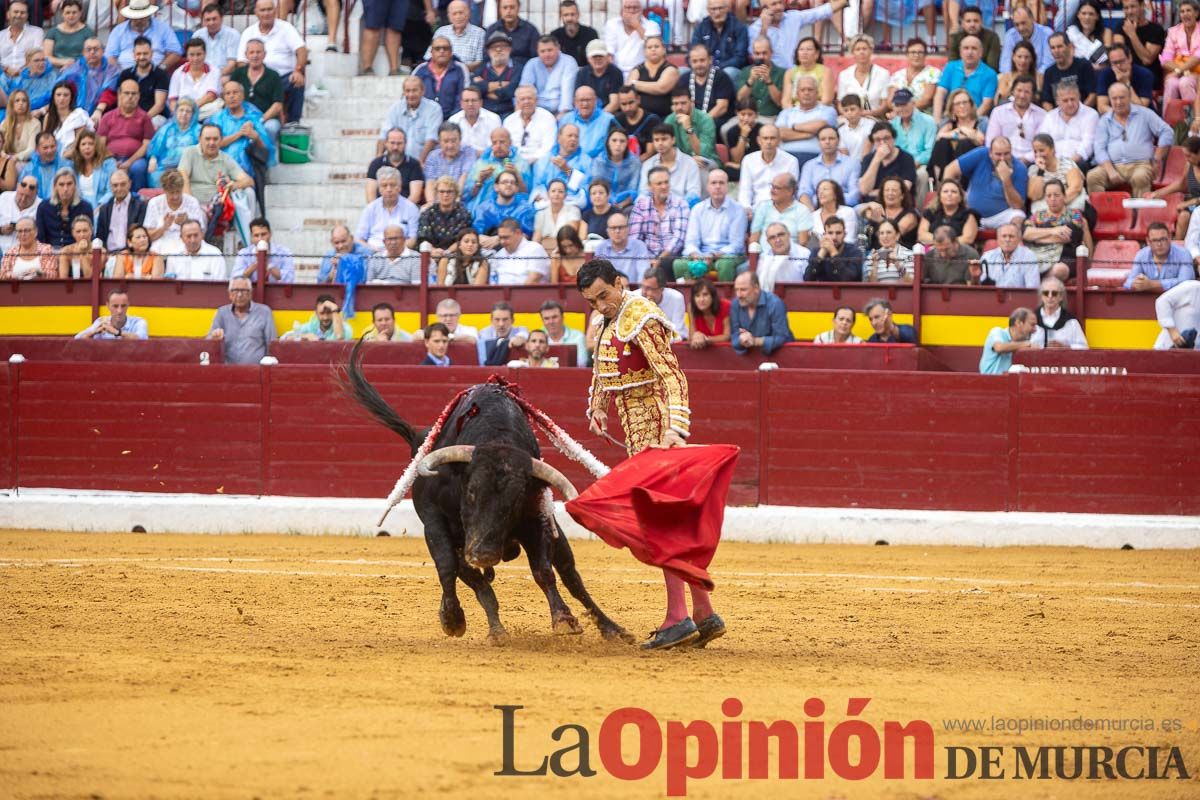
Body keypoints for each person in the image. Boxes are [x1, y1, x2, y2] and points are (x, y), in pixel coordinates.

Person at [577, 258, 725, 650]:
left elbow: (673, 375)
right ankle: (704, 613)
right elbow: (602, 369)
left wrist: (675, 430)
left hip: (658, 430)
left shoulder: (640, 314)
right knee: (669, 523)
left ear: (621, 283)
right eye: (592, 302)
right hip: (637, 432)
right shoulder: (610, 318)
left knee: (658, 525)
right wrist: (597, 407)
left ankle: (678, 617)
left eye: (604, 296)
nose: (601, 306)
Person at [1089, 82, 1173, 199]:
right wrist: (1110, 171)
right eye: (1114, 98)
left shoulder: (1145, 114)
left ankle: (1141, 214)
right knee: (1093, 176)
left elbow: (1167, 131)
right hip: (1113, 165)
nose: (1118, 102)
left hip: (1141, 164)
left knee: (1140, 177)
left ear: (1129, 97)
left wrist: (1157, 157)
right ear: (1109, 100)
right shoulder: (1104, 120)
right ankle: (1101, 213)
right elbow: (1099, 149)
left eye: (1122, 97)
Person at [237, 0, 307, 124]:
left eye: (269, 9)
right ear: (256, 13)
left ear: (275, 11)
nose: (267, 13)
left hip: (283, 77)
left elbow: (301, 50)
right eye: (263, 10)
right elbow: (241, 62)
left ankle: (293, 123)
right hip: (258, 77)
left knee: (298, 81)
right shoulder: (249, 32)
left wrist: (298, 70)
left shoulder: (286, 28)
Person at [674, 169, 745, 282]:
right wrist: (696, 255)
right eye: (713, 183)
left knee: (725, 264)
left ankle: (725, 298)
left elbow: (736, 245)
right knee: (679, 264)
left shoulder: (738, 210)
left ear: (727, 186)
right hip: (701, 254)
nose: (717, 186)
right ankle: (690, 298)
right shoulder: (698, 209)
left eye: (721, 183)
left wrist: (713, 255)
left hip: (727, 255)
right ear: (707, 186)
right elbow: (691, 241)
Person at [944, 137, 1028, 231]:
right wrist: (960, 196)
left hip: (1002, 215)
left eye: (1006, 154)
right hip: (972, 213)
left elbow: (1018, 206)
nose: (1002, 158)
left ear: (1011, 152)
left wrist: (1006, 180)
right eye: (998, 154)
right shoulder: (981, 154)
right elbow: (950, 170)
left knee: (1018, 218)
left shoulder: (1019, 168)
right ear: (990, 153)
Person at [746, 0, 847, 73]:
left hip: (795, 73)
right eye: (774, 4)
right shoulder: (754, 29)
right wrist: (764, 28)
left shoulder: (792, 17)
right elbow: (755, 56)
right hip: (771, 75)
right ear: (764, 10)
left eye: (780, 3)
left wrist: (843, 2)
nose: (779, 7)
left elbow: (818, 13)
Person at [178, 123, 254, 221]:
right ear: (200, 139)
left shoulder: (225, 158)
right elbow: (182, 176)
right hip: (195, 203)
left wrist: (233, 185)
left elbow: (248, 181)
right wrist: (191, 204)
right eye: (207, 139)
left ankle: (250, 230)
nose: (211, 143)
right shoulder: (190, 152)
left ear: (221, 140)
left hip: (218, 205)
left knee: (249, 192)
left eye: (215, 139)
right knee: (199, 216)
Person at [97, 78, 154, 191]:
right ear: (119, 95)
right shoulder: (107, 117)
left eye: (134, 94)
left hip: (135, 159)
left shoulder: (145, 118)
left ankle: (137, 200)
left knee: (139, 168)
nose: (130, 97)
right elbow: (100, 144)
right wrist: (113, 160)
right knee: (105, 167)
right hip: (110, 158)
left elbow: (147, 145)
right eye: (126, 93)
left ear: (138, 96)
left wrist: (129, 162)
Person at [1022, 179, 1086, 280]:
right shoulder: (1038, 215)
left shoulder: (1074, 214)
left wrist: (1037, 239)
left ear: (1064, 196)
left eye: (1056, 195)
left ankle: (1038, 289)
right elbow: (1025, 234)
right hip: (1039, 256)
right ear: (1045, 198)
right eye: (1049, 196)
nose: (1052, 199)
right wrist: (1053, 231)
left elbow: (1067, 237)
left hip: (1066, 258)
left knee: (1059, 270)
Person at [629, 165, 689, 271]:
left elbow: (679, 238)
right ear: (650, 186)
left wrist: (660, 260)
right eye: (659, 183)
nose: (664, 186)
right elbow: (635, 239)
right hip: (645, 259)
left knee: (668, 264)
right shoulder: (640, 205)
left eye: (666, 182)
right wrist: (647, 260)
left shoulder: (681, 204)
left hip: (671, 257)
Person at [207, 276, 276, 364]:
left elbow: (271, 344)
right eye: (235, 290)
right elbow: (209, 342)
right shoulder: (222, 313)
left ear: (250, 293)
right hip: (228, 371)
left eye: (244, 291)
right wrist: (214, 338)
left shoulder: (264, 312)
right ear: (230, 294)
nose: (239, 295)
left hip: (256, 372)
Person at [776, 75, 837, 170]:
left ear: (817, 92)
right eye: (803, 90)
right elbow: (780, 134)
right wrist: (809, 134)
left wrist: (793, 127)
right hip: (787, 157)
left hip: (817, 158)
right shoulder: (786, 113)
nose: (806, 93)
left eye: (810, 89)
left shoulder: (828, 111)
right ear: (797, 93)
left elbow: (820, 125)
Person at [933, 35, 998, 124]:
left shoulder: (990, 74)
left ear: (981, 52)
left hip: (977, 119)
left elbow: (986, 104)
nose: (969, 52)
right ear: (960, 51)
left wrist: (968, 124)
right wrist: (937, 120)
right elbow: (940, 94)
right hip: (951, 117)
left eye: (974, 48)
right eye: (966, 48)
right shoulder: (950, 67)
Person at [379, 76, 443, 164]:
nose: (411, 95)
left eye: (414, 90)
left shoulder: (434, 109)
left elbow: (431, 139)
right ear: (403, 92)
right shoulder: (395, 109)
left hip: (424, 163)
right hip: (397, 162)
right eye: (407, 91)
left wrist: (419, 163)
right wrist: (377, 161)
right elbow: (384, 136)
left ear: (422, 91)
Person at [727, 269, 793, 354]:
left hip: (780, 356)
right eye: (736, 290)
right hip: (747, 358)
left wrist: (755, 341)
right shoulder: (735, 304)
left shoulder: (775, 304)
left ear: (756, 289)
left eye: (743, 290)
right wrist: (741, 339)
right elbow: (734, 337)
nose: (739, 295)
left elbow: (781, 337)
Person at [103, 0, 182, 71]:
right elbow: (110, 56)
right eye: (135, 17)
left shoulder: (163, 28)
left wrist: (160, 69)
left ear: (148, 15)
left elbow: (176, 51)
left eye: (141, 17)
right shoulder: (118, 30)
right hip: (125, 75)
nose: (138, 20)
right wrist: (120, 74)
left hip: (155, 75)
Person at [230, 39, 285, 139]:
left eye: (258, 52)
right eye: (251, 52)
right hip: (241, 117)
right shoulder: (238, 74)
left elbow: (278, 105)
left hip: (266, 119)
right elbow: (229, 95)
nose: (255, 55)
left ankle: (266, 154)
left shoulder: (273, 75)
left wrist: (260, 120)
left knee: (271, 127)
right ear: (246, 55)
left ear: (264, 54)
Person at [928, 88, 985, 184]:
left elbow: (981, 140)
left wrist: (965, 131)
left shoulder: (981, 122)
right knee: (943, 143)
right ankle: (942, 183)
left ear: (971, 104)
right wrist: (958, 131)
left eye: (965, 102)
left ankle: (961, 185)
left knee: (965, 143)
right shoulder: (948, 123)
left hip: (972, 164)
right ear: (952, 108)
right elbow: (939, 138)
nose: (962, 106)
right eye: (957, 104)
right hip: (948, 163)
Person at [736, 124, 798, 210]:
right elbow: (745, 190)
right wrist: (746, 208)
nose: (768, 142)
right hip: (755, 209)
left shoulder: (791, 161)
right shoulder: (748, 160)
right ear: (759, 140)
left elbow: (791, 191)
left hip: (782, 208)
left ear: (779, 140)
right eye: (765, 138)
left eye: (772, 138)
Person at [357, 166, 420, 251]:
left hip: (402, 255)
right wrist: (375, 251)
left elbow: (413, 240)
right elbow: (359, 239)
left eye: (393, 185)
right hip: (373, 254)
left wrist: (392, 252)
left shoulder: (411, 208)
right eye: (384, 185)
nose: (389, 189)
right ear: (379, 189)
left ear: (399, 187)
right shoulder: (370, 209)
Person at [988, 75, 1045, 166]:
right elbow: (991, 142)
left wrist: (1026, 159)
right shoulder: (998, 112)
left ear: (1033, 95)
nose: (1022, 95)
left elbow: (1042, 145)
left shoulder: (1042, 115)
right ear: (1012, 92)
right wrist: (1006, 158)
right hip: (1003, 160)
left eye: (1027, 92)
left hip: (1033, 162)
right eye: (1019, 90)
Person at [1039, 82, 1097, 169]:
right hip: (1052, 162)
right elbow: (1043, 142)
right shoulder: (1050, 116)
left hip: (1078, 162)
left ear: (1079, 97)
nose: (1070, 103)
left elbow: (1088, 144)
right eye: (1065, 100)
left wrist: (1067, 164)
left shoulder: (1091, 114)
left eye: (1073, 99)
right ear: (1057, 101)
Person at [798, 125, 859, 208]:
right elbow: (803, 193)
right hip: (816, 210)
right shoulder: (809, 166)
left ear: (838, 141)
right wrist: (812, 213)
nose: (827, 142)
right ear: (818, 142)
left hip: (844, 208)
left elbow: (854, 196)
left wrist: (827, 199)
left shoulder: (852, 163)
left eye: (831, 138)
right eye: (823, 139)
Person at [1125, 222, 1197, 291]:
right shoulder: (1141, 254)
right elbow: (1128, 282)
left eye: (1162, 239)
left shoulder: (1184, 254)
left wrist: (1152, 284)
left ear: (1169, 238)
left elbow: (1186, 282)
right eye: (1155, 240)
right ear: (1148, 241)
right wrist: (1137, 283)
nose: (1159, 244)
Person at [1112, 0, 1165, 93]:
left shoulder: (1156, 29)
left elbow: (1147, 60)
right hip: (1125, 71)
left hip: (1148, 73)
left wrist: (1132, 34)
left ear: (1142, 6)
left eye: (1133, 7)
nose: (1129, 11)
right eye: (1126, 8)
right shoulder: (1120, 27)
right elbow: (1119, 55)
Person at [530, 123, 589, 207]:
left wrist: (567, 170)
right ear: (559, 138)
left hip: (573, 203)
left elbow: (585, 188)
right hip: (548, 203)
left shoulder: (586, 160)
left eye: (576, 136)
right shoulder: (545, 160)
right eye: (570, 136)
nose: (573, 139)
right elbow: (538, 185)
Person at [857, 121, 917, 205]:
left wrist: (873, 193)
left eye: (887, 138)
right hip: (871, 206)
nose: (883, 143)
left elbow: (904, 188)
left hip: (899, 205)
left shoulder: (906, 158)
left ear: (894, 138)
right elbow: (864, 190)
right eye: (878, 140)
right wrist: (877, 159)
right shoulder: (868, 159)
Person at [61, 37, 120, 121]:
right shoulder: (74, 69)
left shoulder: (111, 70)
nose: (92, 52)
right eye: (88, 49)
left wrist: (98, 111)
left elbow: (109, 93)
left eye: (96, 49)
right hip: (73, 112)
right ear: (83, 52)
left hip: (103, 114)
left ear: (103, 51)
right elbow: (64, 90)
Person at [681, 43, 736, 131]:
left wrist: (702, 122)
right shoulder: (684, 79)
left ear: (710, 60)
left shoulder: (721, 77)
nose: (699, 64)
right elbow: (680, 104)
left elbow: (722, 107)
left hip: (716, 120)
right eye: (695, 61)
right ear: (690, 62)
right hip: (691, 120)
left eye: (702, 60)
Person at [473, 168, 535, 245]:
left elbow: (526, 236)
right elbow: (475, 234)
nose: (509, 184)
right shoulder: (483, 208)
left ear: (516, 188)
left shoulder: (525, 208)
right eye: (504, 182)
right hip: (487, 249)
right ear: (496, 187)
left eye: (512, 183)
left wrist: (500, 239)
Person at [146, 98, 200, 187]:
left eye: (188, 111)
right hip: (165, 167)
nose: (184, 114)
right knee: (155, 175)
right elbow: (156, 147)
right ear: (176, 112)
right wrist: (153, 158)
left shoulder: (198, 130)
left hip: (188, 168)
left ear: (193, 114)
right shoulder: (166, 128)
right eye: (181, 110)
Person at [144, 168, 205, 246]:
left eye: (178, 192)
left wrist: (186, 223)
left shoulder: (192, 202)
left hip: (188, 247)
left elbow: (201, 234)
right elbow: (148, 237)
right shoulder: (154, 203)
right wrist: (165, 226)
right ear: (164, 190)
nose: (175, 196)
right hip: (161, 248)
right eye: (171, 193)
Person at [734, 38, 783, 135]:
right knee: (724, 129)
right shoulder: (745, 71)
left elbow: (779, 102)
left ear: (771, 53)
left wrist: (769, 81)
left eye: (764, 53)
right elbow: (740, 99)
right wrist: (750, 80)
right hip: (746, 116)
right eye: (757, 53)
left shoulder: (781, 73)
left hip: (770, 117)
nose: (761, 57)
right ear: (752, 54)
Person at [415, 36, 472, 119]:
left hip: (452, 119)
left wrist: (453, 119)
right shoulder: (420, 69)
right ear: (431, 52)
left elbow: (463, 96)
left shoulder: (460, 69)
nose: (442, 51)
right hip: (424, 119)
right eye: (437, 48)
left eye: (445, 48)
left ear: (451, 51)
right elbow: (411, 93)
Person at [751, 172, 812, 250]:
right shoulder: (762, 207)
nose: (772, 191)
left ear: (789, 191)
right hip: (764, 258)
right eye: (772, 186)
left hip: (791, 258)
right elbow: (754, 239)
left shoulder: (802, 210)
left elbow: (803, 243)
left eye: (777, 188)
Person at [115, 36, 168, 125]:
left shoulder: (160, 75)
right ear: (133, 54)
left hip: (152, 117)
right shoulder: (125, 74)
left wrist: (141, 121)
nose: (142, 57)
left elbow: (159, 105)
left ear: (151, 53)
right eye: (138, 54)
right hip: (128, 116)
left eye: (145, 53)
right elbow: (120, 101)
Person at [690, 0, 748, 80]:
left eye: (720, 8)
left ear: (727, 8)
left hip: (729, 69)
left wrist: (716, 68)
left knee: (728, 72)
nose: (717, 12)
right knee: (681, 71)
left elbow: (740, 58)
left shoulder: (738, 27)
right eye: (713, 9)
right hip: (704, 69)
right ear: (708, 10)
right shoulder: (701, 28)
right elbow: (692, 52)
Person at [836, 35, 890, 119]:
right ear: (852, 52)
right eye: (858, 49)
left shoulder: (883, 73)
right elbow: (840, 103)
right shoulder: (844, 75)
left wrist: (867, 114)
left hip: (874, 117)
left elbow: (884, 104)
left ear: (871, 51)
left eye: (864, 49)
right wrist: (849, 115)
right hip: (849, 118)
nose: (861, 52)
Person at [367, 128, 426, 204]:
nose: (395, 147)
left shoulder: (414, 164)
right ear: (386, 143)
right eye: (392, 143)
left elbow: (415, 196)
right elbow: (370, 195)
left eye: (399, 143)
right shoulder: (376, 164)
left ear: (405, 143)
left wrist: (400, 211)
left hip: (407, 211)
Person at [35, 168, 91, 248]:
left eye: (69, 184)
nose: (65, 189)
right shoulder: (44, 207)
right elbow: (40, 238)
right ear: (55, 187)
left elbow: (88, 237)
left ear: (75, 186)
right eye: (61, 184)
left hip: (76, 252)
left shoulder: (85, 207)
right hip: (50, 253)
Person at [518, 35, 573, 117]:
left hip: (560, 111)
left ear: (558, 48)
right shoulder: (532, 64)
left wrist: (562, 114)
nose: (547, 54)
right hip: (535, 112)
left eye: (550, 50)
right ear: (537, 51)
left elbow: (567, 92)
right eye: (542, 51)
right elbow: (524, 90)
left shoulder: (568, 62)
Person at [604, 0, 661, 79]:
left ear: (641, 10)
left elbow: (653, 46)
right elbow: (609, 50)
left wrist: (637, 26)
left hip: (643, 72)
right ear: (621, 10)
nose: (631, 11)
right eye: (628, 7)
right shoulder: (612, 24)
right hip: (617, 72)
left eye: (635, 8)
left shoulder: (652, 25)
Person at [155, 218, 226, 280]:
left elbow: (219, 285)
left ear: (202, 234)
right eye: (189, 236)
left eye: (196, 235)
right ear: (181, 238)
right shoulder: (174, 255)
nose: (193, 240)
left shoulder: (215, 254)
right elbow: (170, 284)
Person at [418, 176, 474, 254]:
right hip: (431, 254)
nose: (445, 195)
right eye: (441, 191)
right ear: (436, 193)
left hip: (455, 255)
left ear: (456, 194)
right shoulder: (427, 213)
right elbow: (422, 239)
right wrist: (434, 251)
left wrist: (447, 252)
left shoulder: (464, 214)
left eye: (449, 191)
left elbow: (463, 239)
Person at [1040, 33, 1096, 110]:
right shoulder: (1049, 72)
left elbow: (1092, 95)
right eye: (1053, 48)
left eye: (1059, 46)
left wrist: (1080, 113)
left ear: (1069, 46)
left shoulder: (1084, 65)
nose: (1056, 51)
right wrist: (1055, 116)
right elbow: (1046, 101)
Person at [628, 35, 677, 122]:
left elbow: (661, 88)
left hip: (665, 118)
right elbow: (628, 90)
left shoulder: (671, 69)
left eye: (656, 46)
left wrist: (635, 84)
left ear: (664, 50)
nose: (653, 49)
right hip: (640, 119)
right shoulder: (637, 69)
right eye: (649, 47)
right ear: (644, 51)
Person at [95, 169, 146, 251]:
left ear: (129, 184)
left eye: (123, 184)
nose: (119, 188)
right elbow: (100, 237)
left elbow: (141, 234)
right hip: (108, 254)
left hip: (131, 253)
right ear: (111, 187)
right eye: (115, 185)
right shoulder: (104, 209)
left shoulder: (140, 206)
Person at [593, 211, 653, 282]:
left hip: (633, 291)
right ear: (607, 231)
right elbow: (599, 276)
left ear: (628, 229)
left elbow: (643, 275)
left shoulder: (639, 246)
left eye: (621, 227)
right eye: (613, 228)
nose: (617, 231)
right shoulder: (601, 248)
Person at [472, 30, 520, 118]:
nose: (498, 49)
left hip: (509, 113)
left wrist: (486, 90)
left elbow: (511, 92)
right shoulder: (481, 69)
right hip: (484, 114)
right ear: (488, 51)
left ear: (510, 49)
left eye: (503, 46)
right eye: (494, 47)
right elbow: (475, 89)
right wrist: (501, 85)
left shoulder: (518, 68)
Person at [504, 85, 557, 163]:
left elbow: (548, 147)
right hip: (514, 162)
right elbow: (506, 146)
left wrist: (531, 161)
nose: (526, 102)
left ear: (536, 100)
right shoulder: (509, 121)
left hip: (539, 162)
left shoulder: (548, 118)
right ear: (517, 102)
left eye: (529, 98)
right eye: (522, 99)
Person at [169, 38, 220, 120]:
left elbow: (211, 96)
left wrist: (191, 108)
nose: (195, 59)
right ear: (187, 55)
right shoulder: (178, 73)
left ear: (205, 54)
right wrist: (181, 113)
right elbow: (172, 100)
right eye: (192, 55)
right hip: (183, 115)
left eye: (199, 54)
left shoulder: (214, 71)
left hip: (207, 115)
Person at [1032, 275, 1088, 349]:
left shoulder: (1071, 322)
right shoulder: (1031, 319)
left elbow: (1084, 347)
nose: (1050, 296)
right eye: (1046, 293)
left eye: (1054, 293)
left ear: (1061, 296)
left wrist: (1065, 347)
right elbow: (1021, 344)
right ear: (1041, 296)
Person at [234, 217, 295, 282]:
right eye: (256, 235)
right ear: (252, 237)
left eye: (263, 234)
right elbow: (236, 279)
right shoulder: (244, 253)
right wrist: (258, 263)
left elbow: (289, 279)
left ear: (270, 234)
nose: (260, 239)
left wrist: (268, 264)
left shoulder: (284, 252)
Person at [1162, 0, 1200, 105]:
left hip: (1198, 74)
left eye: (1189, 10)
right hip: (1182, 73)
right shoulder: (1173, 32)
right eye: (1182, 11)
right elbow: (1165, 59)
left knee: (1185, 82)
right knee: (1170, 83)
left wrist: (1178, 71)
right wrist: (1183, 71)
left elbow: (1197, 57)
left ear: (1196, 13)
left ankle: (1194, 118)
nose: (1185, 14)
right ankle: (1167, 120)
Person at [979, 223, 1040, 288]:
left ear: (1019, 239)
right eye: (1004, 236)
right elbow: (982, 288)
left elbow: (1032, 289)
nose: (1007, 240)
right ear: (998, 239)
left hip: (1018, 297)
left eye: (1011, 236)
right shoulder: (987, 257)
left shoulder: (1029, 256)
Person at [429, 0, 486, 71]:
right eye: (454, 14)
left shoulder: (480, 33)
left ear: (468, 14)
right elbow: (429, 57)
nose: (458, 17)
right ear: (449, 17)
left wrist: (457, 70)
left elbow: (480, 62)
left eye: (461, 13)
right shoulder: (441, 32)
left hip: (468, 75)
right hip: (441, 75)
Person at [1097, 43, 1155, 112]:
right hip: (1115, 117)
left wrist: (1126, 83)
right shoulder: (1105, 74)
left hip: (1143, 119)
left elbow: (1142, 109)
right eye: (1115, 63)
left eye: (1121, 61)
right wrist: (1120, 115)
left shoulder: (1145, 74)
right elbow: (1101, 107)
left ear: (1130, 58)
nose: (1118, 66)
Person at [889, 38, 941, 112]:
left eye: (920, 52)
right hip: (898, 114)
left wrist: (905, 111)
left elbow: (926, 100)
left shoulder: (933, 73)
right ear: (907, 55)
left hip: (922, 115)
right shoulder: (897, 75)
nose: (916, 55)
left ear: (925, 55)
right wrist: (898, 112)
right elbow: (890, 101)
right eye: (913, 52)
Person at [804, 216, 863, 282]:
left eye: (838, 233)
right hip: (824, 291)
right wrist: (820, 256)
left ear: (845, 234)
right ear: (824, 234)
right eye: (830, 233)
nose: (834, 237)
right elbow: (807, 279)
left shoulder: (854, 252)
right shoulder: (816, 252)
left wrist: (833, 253)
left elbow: (848, 278)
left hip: (848, 292)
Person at [979, 307, 1037, 373]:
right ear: (1018, 323)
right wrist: (1027, 344)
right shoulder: (997, 332)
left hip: (1007, 381)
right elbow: (999, 347)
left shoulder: (1022, 342)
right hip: (989, 381)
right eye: (1032, 325)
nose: (1035, 330)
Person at [42, 81, 92, 158]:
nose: (62, 98)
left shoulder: (78, 115)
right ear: (53, 97)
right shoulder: (48, 117)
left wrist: (63, 157)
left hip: (74, 157)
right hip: (51, 157)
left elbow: (79, 144)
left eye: (66, 95)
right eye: (58, 95)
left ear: (71, 97)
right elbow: (44, 142)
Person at [1000, 6, 1053, 77]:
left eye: (1023, 23)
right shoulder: (1010, 35)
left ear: (1032, 19)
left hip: (1040, 78)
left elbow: (1048, 64)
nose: (1021, 28)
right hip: (1016, 78)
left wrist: (1032, 79)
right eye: (1017, 24)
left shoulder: (1047, 33)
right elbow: (1005, 65)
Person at [492, 217, 549, 283]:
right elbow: (493, 280)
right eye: (500, 238)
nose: (502, 242)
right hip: (500, 292)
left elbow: (534, 279)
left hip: (527, 292)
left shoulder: (535, 249)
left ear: (518, 233)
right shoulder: (499, 254)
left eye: (506, 237)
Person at [448, 87, 501, 158]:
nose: (470, 104)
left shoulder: (493, 119)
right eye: (466, 101)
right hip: (460, 162)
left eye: (474, 100)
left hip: (487, 161)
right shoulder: (453, 120)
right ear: (461, 103)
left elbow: (496, 147)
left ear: (481, 102)